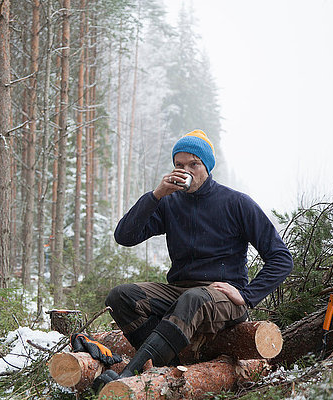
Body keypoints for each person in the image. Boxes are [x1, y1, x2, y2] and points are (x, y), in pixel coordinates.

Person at [95, 130, 293, 387]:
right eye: (179, 165)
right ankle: (170, 361)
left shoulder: (237, 203)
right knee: (120, 296)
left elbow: (281, 258)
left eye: (193, 164)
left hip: (222, 296)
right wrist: (155, 196)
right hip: (180, 291)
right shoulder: (169, 203)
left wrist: (247, 295)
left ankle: (129, 375)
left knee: (194, 298)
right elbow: (125, 236)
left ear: (207, 166)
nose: (186, 170)